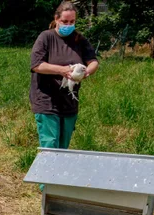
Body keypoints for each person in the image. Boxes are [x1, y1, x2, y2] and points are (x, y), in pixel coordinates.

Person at [30, 1, 99, 151]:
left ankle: (58, 173)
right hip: (46, 100)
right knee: (50, 146)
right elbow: (36, 65)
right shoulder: (46, 38)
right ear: (56, 19)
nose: (69, 25)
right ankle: (46, 174)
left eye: (72, 21)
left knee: (63, 147)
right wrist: (62, 70)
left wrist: (86, 72)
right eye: (65, 21)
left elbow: (93, 61)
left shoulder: (79, 40)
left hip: (69, 102)